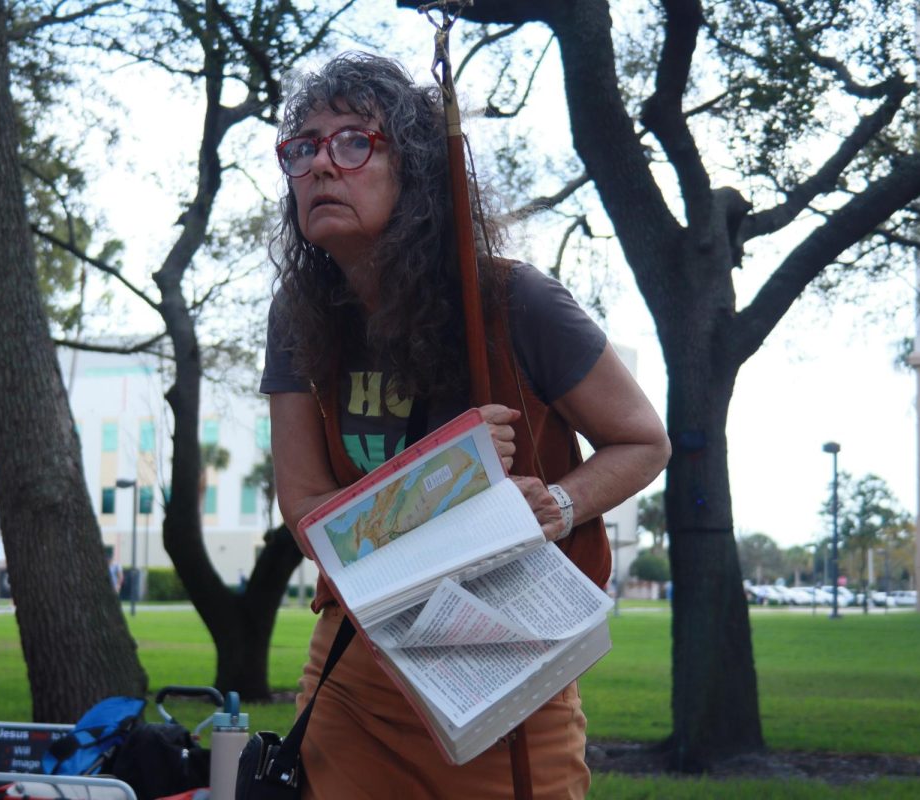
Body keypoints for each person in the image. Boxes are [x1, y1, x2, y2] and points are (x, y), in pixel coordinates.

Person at [261, 53, 671, 798]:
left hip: (507, 667)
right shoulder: (298, 318)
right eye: (303, 147)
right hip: (360, 671)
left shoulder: (518, 303)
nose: (321, 165)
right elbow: (307, 511)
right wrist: (446, 475)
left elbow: (645, 440)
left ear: (417, 172)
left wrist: (562, 503)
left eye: (354, 140)